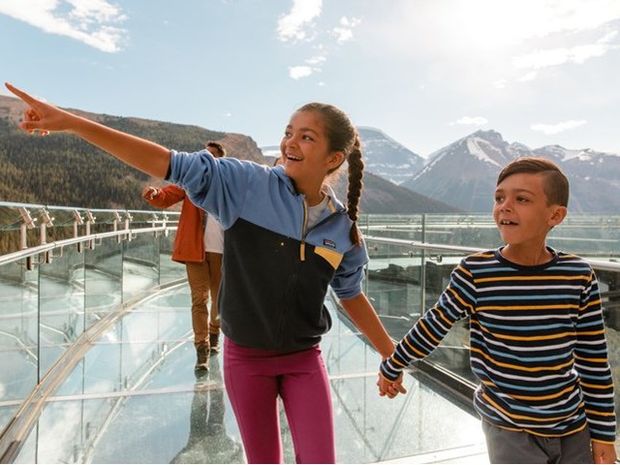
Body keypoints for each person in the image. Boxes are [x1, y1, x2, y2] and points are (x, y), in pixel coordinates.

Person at [6, 82, 397, 464]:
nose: (290, 143)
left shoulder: (341, 229)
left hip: (303, 360)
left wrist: (390, 357)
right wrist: (74, 123)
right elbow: (167, 162)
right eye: (288, 132)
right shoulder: (245, 184)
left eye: (306, 137)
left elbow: (351, 295)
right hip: (246, 361)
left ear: (333, 158)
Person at [378, 157, 617, 464]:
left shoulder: (577, 275)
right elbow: (433, 326)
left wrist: (603, 436)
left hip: (573, 427)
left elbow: (593, 362)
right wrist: (394, 363)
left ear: (555, 215)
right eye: (499, 197)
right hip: (508, 430)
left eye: (522, 199)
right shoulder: (476, 273)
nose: (505, 206)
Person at [142, 141, 226, 372]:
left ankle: (214, 333)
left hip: (222, 252)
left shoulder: (229, 186)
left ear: (219, 161)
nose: (205, 160)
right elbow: (167, 196)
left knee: (218, 301)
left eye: (211, 156)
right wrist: (155, 194)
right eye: (204, 155)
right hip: (195, 250)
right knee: (199, 298)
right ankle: (202, 349)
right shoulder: (190, 182)